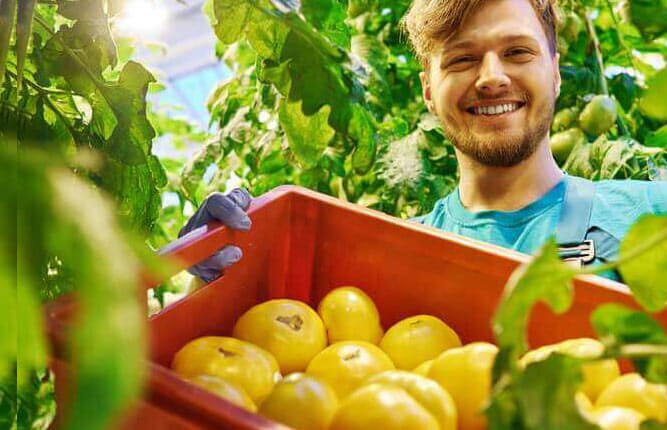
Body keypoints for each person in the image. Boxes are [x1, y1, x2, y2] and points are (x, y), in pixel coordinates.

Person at [180, 0, 666, 283]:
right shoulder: (380, 259)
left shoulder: (654, 215)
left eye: (518, 52)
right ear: (428, 91)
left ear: (556, 75)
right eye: (461, 60)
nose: (492, 78)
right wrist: (237, 282)